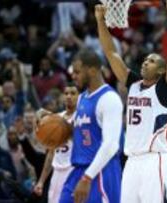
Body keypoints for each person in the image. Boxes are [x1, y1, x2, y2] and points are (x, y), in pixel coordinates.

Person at [95, 0, 167, 202]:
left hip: (155, 160)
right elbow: (111, 53)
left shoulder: (164, 88)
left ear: (161, 70)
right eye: (145, 59)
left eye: (152, 61)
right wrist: (101, 22)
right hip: (132, 161)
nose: (145, 62)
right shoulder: (133, 84)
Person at [59, 48, 123, 203]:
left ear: (93, 71)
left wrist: (88, 177)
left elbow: (111, 145)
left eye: (77, 72)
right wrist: (48, 119)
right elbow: (76, 132)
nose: (73, 76)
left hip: (101, 171)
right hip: (79, 170)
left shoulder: (109, 99)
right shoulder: (81, 98)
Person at [33, 83, 79, 203]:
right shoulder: (57, 118)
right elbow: (51, 154)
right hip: (57, 172)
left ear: (80, 97)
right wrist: (41, 181)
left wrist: (49, 115)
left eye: (73, 93)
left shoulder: (82, 117)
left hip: (74, 170)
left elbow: (72, 132)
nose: (69, 96)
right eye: (66, 93)